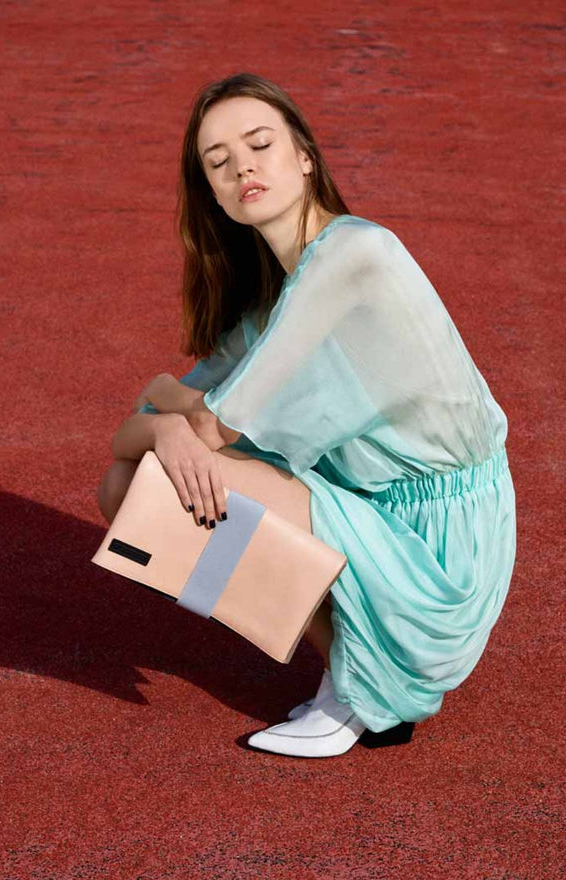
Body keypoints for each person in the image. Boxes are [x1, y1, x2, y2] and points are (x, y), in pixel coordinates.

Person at [97, 73, 517, 759]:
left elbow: (211, 428)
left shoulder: (354, 254)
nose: (242, 168)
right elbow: (133, 436)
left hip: (440, 542)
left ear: (304, 157)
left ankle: (365, 687)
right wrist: (166, 420)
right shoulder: (271, 302)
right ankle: (346, 663)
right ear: (213, 194)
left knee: (170, 473)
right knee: (129, 485)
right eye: (219, 161)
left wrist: (165, 393)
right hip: (373, 511)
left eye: (259, 144)